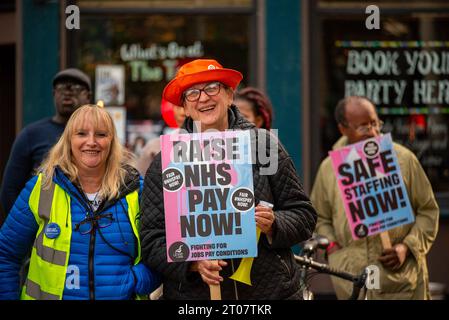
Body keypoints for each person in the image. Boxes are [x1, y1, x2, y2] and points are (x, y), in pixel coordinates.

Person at [139, 59, 317, 300]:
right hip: (194, 297)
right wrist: (192, 263)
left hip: (269, 293)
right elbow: (151, 240)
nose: (203, 98)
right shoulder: (166, 162)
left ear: (229, 95)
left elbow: (304, 216)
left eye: (212, 88)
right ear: (184, 107)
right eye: (192, 93)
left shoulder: (264, 146)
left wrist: (274, 223)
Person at [0, 104, 160, 299]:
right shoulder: (44, 188)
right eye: (82, 133)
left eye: (101, 134)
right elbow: (5, 254)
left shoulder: (135, 189)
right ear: (68, 140)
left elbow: (162, 247)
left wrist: (137, 281)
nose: (91, 142)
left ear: (112, 141)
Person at [310, 96, 439, 300]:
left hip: (402, 283)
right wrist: (334, 250)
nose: (372, 132)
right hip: (352, 283)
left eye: (374, 123)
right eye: (363, 127)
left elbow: (428, 210)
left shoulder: (404, 159)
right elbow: (319, 217)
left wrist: (408, 247)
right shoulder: (329, 169)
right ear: (343, 129)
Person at [0, 68, 92, 220]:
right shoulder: (31, 134)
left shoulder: (97, 136)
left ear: (88, 97)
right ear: (53, 94)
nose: (68, 93)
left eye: (76, 88)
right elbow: (10, 190)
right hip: (42, 228)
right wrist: (27, 227)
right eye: (61, 88)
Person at [135, 99, 185, 176]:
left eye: (185, 106)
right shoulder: (154, 147)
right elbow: (140, 180)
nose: (182, 112)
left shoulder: (208, 143)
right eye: (178, 106)